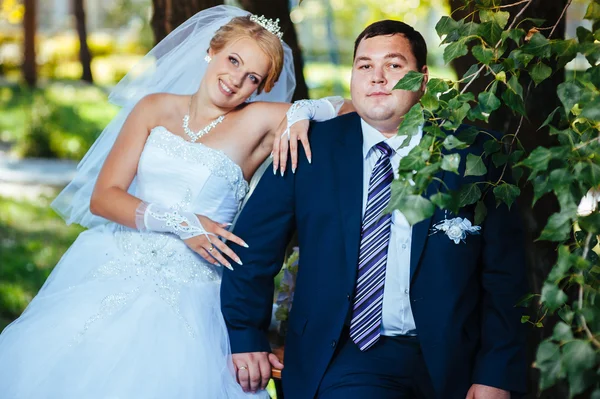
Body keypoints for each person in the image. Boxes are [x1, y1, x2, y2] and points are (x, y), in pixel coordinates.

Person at [0, 6, 351, 398]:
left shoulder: (261, 121)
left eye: (252, 77)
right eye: (232, 60)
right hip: (113, 261)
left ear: (261, 87)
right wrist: (182, 222)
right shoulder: (154, 107)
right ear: (212, 51)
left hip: (195, 286)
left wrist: (305, 110)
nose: (236, 80)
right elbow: (103, 198)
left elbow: (354, 108)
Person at [220, 19, 528, 399]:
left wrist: (497, 373)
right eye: (365, 66)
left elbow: (506, 274)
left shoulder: (473, 153)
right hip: (347, 354)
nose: (377, 77)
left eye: (394, 65)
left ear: (423, 78)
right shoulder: (309, 149)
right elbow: (251, 248)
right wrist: (245, 333)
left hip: (454, 358)